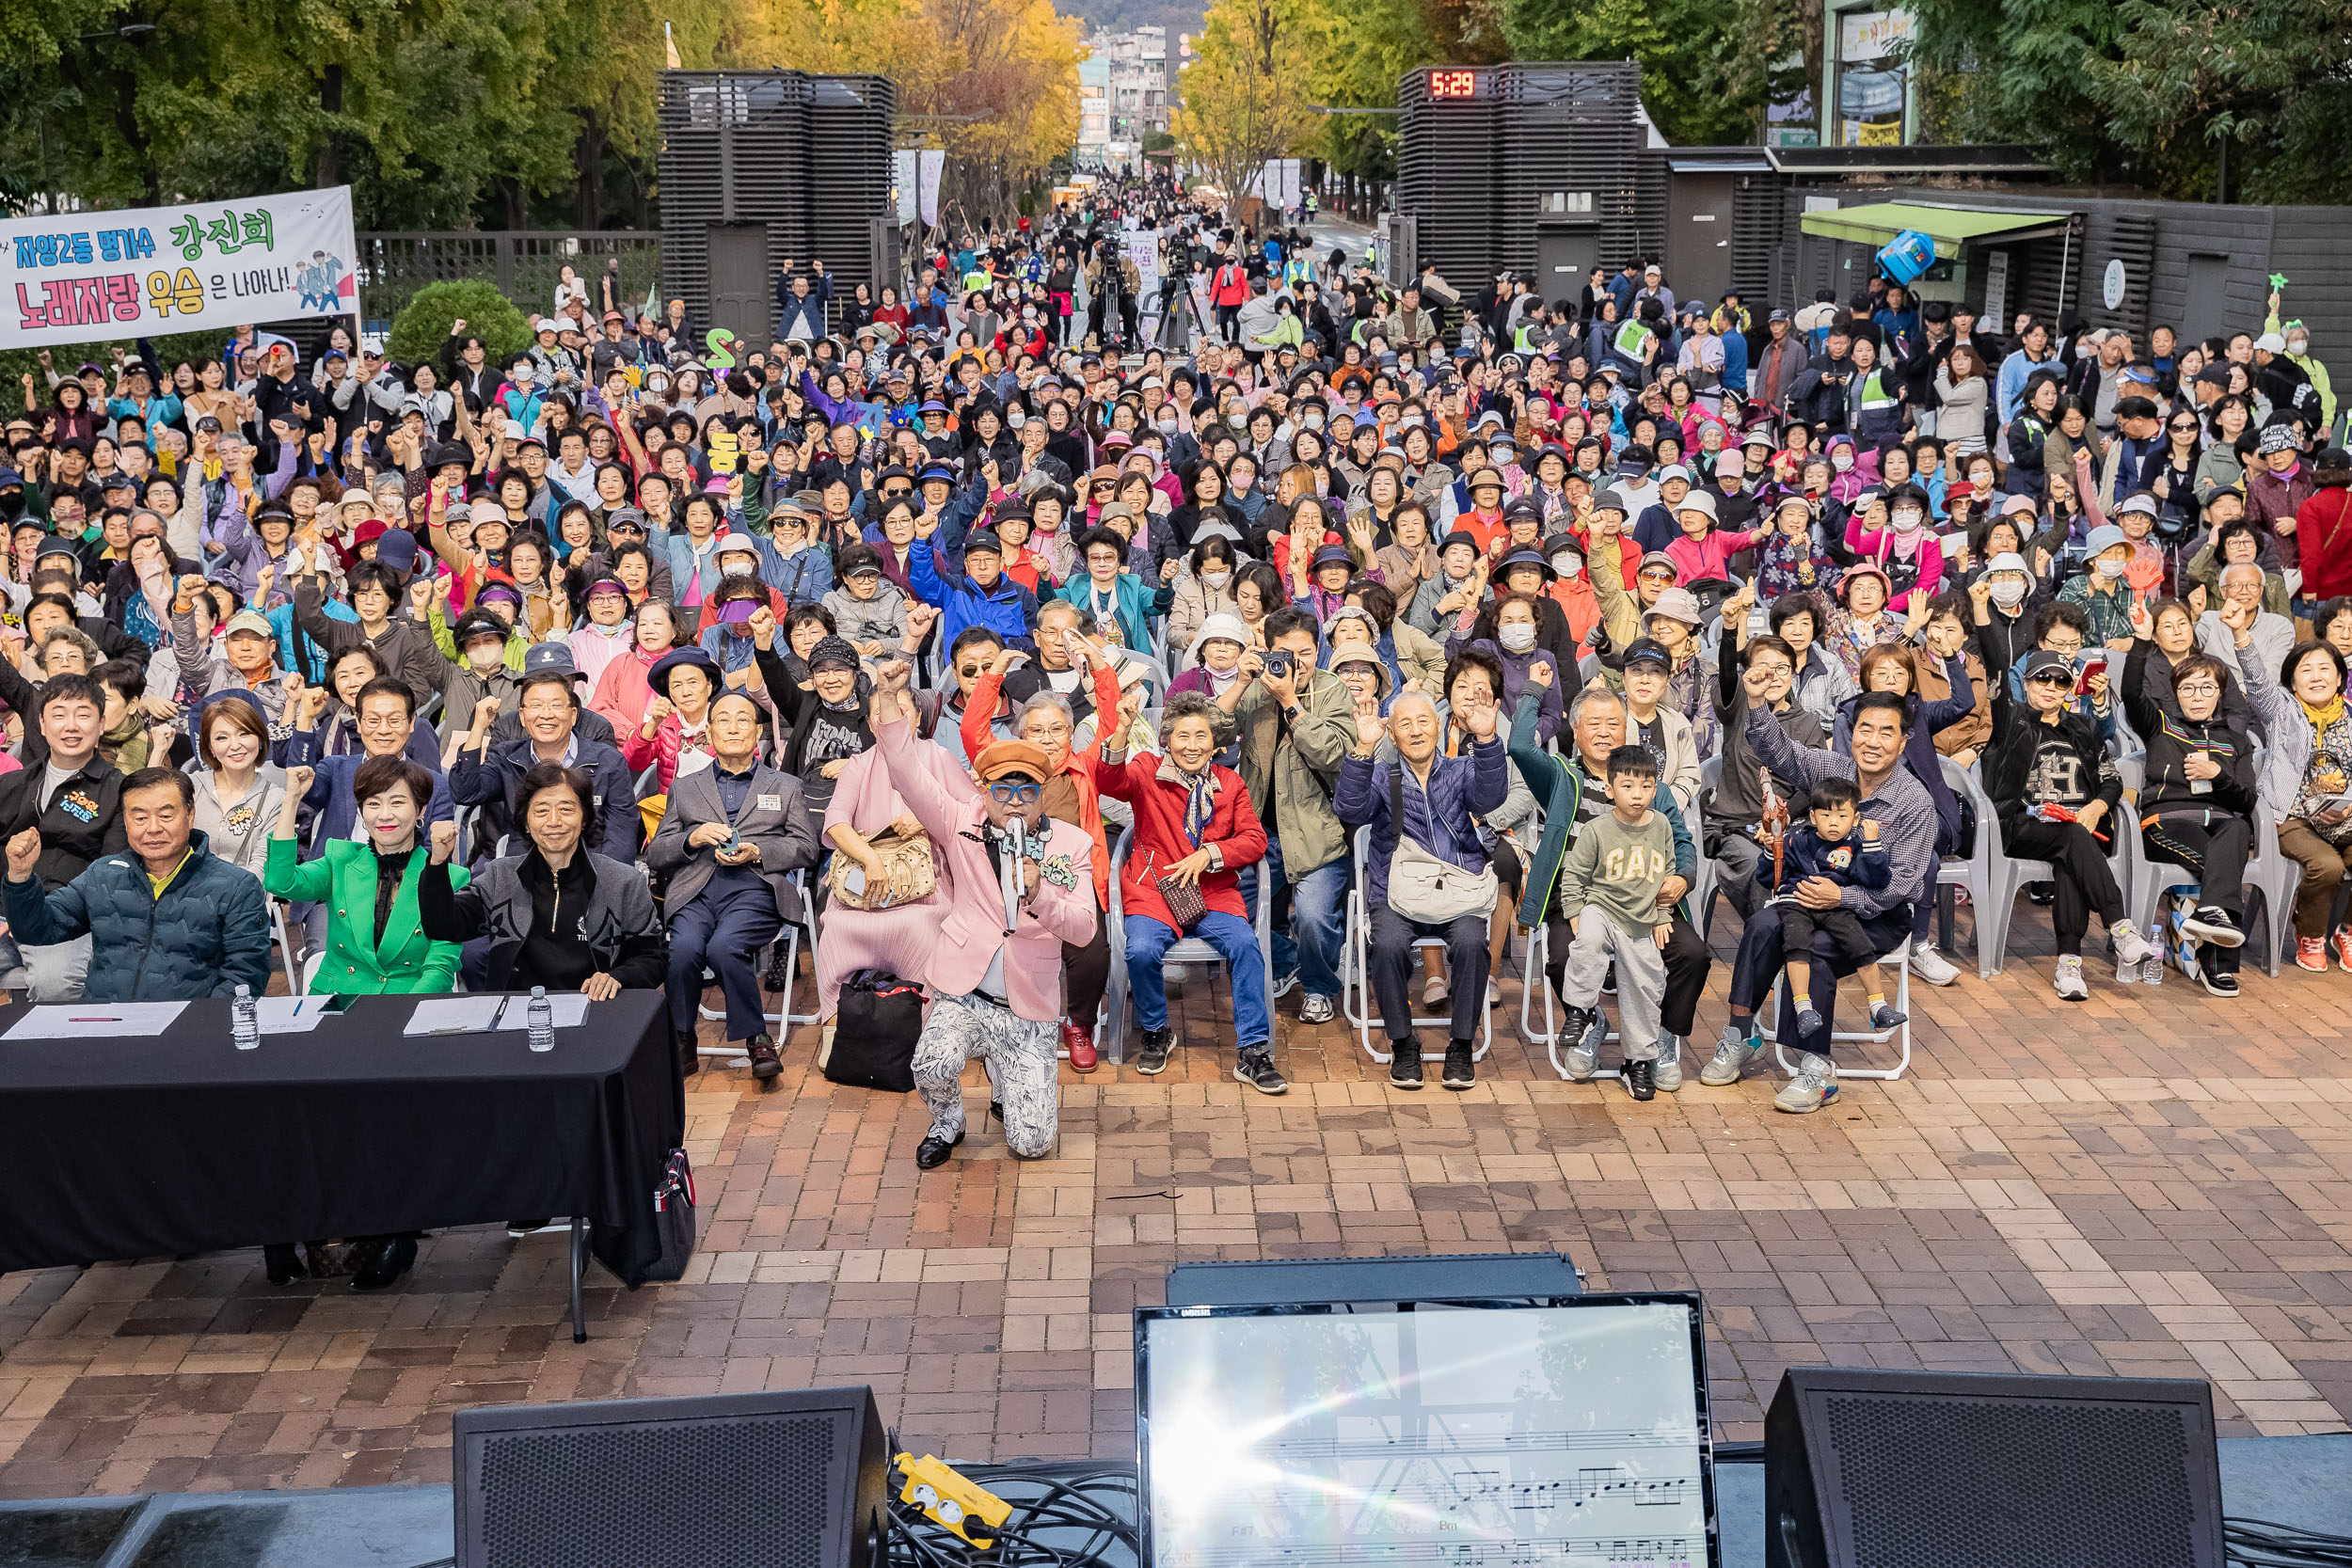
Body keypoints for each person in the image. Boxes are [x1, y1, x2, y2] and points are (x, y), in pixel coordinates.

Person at [867, 663, 1097, 1165]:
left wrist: (1040, 894)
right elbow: (904, 769)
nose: (1014, 802)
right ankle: (947, 1122)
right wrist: (887, 694)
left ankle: (1008, 1077)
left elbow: (1083, 929)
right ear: (984, 790)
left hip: (1026, 1004)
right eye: (1002, 790)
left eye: (1026, 791)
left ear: (1041, 794)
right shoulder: (958, 822)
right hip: (963, 993)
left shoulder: (1070, 844)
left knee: (1032, 1145)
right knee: (931, 1063)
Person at [1709, 678, 1939, 1110]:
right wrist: (1758, 702)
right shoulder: (1832, 770)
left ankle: (1818, 1068)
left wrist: (1842, 898)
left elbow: (1903, 886)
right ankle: (1741, 1034)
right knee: (1762, 923)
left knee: (1813, 948)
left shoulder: (1915, 804)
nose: (1872, 742)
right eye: (1865, 729)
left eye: (1886, 732)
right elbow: (1781, 752)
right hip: (1809, 899)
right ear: (1851, 732)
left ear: (1904, 741)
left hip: (1875, 913)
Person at [1510, 664, 1708, 1086]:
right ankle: (1590, 1023)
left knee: (1693, 955)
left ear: (1627, 731)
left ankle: (1664, 1037)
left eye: (1613, 724)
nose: (1604, 733)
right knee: (1563, 956)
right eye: (1593, 724)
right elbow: (1521, 748)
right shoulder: (1563, 779)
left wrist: (1683, 879)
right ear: (1575, 732)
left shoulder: (1654, 788)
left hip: (1647, 902)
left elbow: (1683, 844)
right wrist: (1533, 691)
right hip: (1579, 901)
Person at [1335, 681, 1508, 1090]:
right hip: (1395, 892)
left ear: (1438, 726)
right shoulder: (1381, 776)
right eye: (1405, 724)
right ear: (1392, 734)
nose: (1415, 730)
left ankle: (1462, 1045)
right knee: (1389, 944)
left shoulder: (1461, 770)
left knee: (1470, 943)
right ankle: (1403, 1043)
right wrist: (1362, 751)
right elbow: (1349, 809)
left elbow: (1490, 796)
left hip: (1458, 889)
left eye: (1423, 721)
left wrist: (1485, 739)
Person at [646, 689, 818, 1078]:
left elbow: (807, 848)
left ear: (758, 732)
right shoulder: (686, 788)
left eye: (743, 719)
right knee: (685, 950)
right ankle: (682, 1038)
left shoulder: (784, 786)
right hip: (697, 890)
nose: (733, 727)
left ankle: (757, 1039)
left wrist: (758, 851)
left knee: (725, 948)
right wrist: (693, 838)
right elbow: (657, 853)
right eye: (723, 719)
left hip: (755, 889)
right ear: (708, 732)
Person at [2, 766, 271, 1000]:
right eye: (140, 817)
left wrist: (197, 1025)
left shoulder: (236, 886)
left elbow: (245, 975)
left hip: (186, 1034)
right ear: (126, 822)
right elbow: (38, 930)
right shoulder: (103, 875)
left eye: (166, 816)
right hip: (106, 1025)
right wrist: (20, 877)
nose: (153, 828)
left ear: (190, 816)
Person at [1979, 648, 2152, 999]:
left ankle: (2069, 963)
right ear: (2026, 684)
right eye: (2042, 678)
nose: (2050, 686)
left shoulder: (2083, 728)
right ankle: (2119, 926)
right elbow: (1995, 662)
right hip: (2023, 825)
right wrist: (1982, 611)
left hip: (2078, 828)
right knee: (2073, 838)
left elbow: (2111, 778)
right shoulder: (2013, 721)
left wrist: (2097, 806)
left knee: (2071, 853)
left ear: (2070, 688)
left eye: (2060, 680)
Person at [418, 762, 666, 1001]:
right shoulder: (499, 877)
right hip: (517, 1012)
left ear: (585, 819)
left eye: (567, 809)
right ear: (526, 823)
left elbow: (652, 958)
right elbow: (443, 925)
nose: (554, 821)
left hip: (596, 1010)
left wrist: (617, 978)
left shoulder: (623, 881)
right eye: (541, 811)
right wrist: (437, 863)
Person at [1232, 607, 1355, 1023]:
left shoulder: (1334, 691)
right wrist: (1239, 681)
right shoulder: (1254, 688)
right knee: (1235, 912)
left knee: (1316, 918)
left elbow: (1335, 754)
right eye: (1285, 653)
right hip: (1257, 833)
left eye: (1305, 653)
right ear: (1267, 651)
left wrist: (1291, 703)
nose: (1296, 664)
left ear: (1319, 651)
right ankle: (1287, 964)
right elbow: (1209, 732)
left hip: (1317, 832)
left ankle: (1319, 986)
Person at [265, 756, 469, 995]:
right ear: (361, 812)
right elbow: (280, 882)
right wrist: (292, 799)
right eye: (373, 804)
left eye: (397, 803)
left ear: (420, 809)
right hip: (338, 1000)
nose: (384, 815)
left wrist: (396, 1017)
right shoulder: (340, 861)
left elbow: (440, 968)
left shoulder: (451, 878)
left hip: (407, 1001)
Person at [1728, 776, 1905, 1044]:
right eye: (1826, 814)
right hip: (1796, 904)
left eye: (1842, 815)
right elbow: (1770, 878)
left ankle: (1878, 1006)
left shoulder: (1856, 847)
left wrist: (1872, 844)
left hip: (1835, 906)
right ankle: (1803, 1008)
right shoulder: (1795, 841)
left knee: (1860, 944)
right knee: (1798, 944)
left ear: (1855, 819)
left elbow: (1876, 880)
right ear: (1812, 816)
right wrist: (1769, 851)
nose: (1834, 822)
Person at [2227, 603, 2352, 973]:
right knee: (2327, 866)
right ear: (2293, 682)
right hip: (2291, 817)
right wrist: (2239, 634)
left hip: (2342, 816)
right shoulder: (2282, 710)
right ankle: (2310, 934)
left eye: (2325, 669)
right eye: (2306, 670)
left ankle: (2346, 930)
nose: (2316, 677)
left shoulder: (2351, 717)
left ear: (2340, 677)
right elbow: (2255, 679)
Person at [1549, 746, 1678, 1101]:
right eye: (1627, 786)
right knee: (1587, 941)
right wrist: (1575, 912)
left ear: (1656, 789)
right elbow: (1574, 875)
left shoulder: (1661, 826)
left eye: (1646, 787)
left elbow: (1667, 872)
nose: (1637, 795)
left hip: (1640, 919)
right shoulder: (1597, 829)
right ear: (1610, 789)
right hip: (1600, 907)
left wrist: (1662, 916)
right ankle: (1579, 1011)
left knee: (1645, 986)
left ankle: (1637, 1061)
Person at [0, 673, 128, 999]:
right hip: (5, 916)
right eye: (59, 715)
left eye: (83, 715)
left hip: (68, 922)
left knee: (53, 982)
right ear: (41, 724)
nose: (70, 725)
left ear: (101, 725)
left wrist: (36, 916)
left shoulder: (119, 790)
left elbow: (109, 875)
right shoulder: (13, 784)